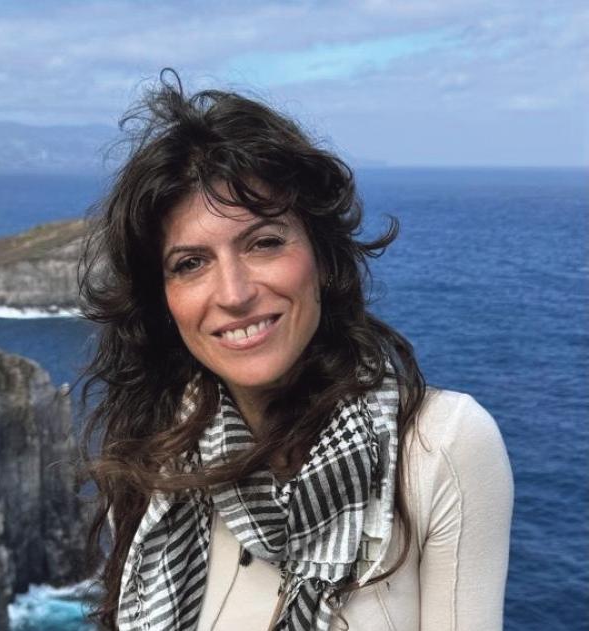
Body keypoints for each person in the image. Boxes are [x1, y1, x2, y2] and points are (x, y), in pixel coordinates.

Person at [78, 70, 513, 631]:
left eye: (264, 243)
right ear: (163, 301)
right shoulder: (159, 457)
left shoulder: (440, 447)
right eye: (190, 264)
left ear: (322, 257)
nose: (234, 294)